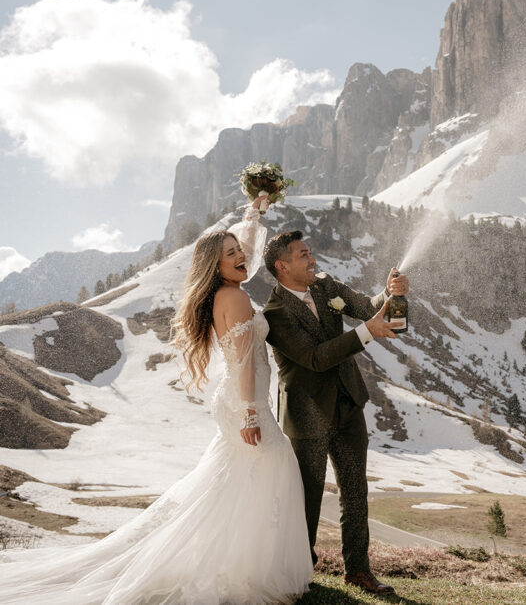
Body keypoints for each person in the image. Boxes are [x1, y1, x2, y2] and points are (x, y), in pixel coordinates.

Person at [0, 197, 312, 604]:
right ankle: (242, 571)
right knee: (271, 470)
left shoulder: (228, 288)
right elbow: (241, 365)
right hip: (243, 401)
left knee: (237, 481)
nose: (241, 258)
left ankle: (237, 562)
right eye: (230, 254)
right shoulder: (233, 298)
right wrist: (251, 415)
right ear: (214, 267)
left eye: (239, 251)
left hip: (240, 402)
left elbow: (248, 256)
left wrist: (253, 215)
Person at [262, 229, 407, 596]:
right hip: (307, 414)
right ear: (282, 266)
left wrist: (392, 294)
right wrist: (365, 334)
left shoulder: (326, 286)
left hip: (347, 404)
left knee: (355, 490)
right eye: (303, 254)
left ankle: (358, 571)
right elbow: (315, 358)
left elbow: (366, 307)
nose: (313, 259)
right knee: (307, 498)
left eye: (310, 252)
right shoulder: (275, 313)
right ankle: (301, 573)